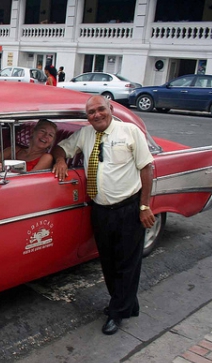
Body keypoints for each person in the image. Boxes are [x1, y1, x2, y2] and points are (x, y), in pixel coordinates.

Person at [51, 95, 155, 335]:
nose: (96, 115)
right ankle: (129, 305)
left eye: (100, 109)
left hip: (128, 208)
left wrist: (144, 206)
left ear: (110, 109)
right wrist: (61, 160)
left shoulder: (129, 131)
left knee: (127, 264)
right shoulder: (86, 134)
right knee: (108, 262)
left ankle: (117, 312)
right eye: (91, 112)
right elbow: (60, 148)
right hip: (100, 209)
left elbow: (146, 168)